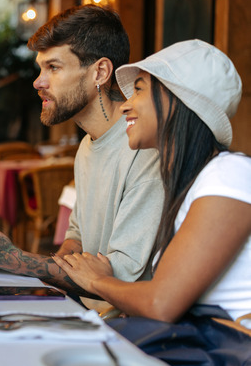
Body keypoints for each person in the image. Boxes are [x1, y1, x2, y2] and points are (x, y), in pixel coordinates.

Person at [0, 4, 164, 299]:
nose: (38, 82)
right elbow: (77, 240)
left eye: (53, 67)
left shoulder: (145, 151)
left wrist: (9, 257)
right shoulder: (87, 146)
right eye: (41, 68)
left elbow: (120, 277)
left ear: (100, 72)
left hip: (125, 328)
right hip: (83, 310)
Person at [53, 40, 251, 325]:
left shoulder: (228, 175)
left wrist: (96, 281)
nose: (126, 105)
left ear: (179, 100)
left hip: (227, 360)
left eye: (139, 89)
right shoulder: (190, 184)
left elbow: (161, 303)